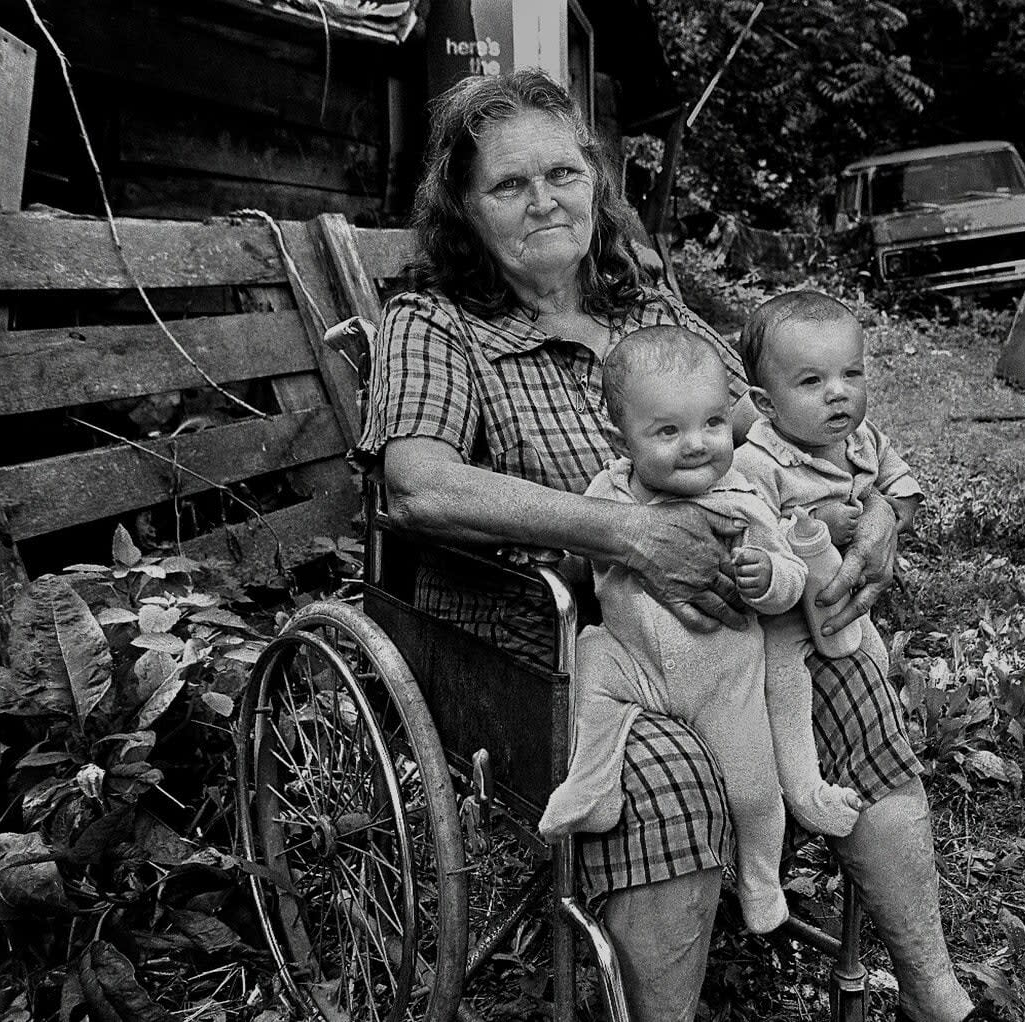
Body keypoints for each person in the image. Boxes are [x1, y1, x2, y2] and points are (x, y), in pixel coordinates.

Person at [355, 67, 990, 1022]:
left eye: (562, 174)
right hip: (547, 650)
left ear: (595, 181)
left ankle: (938, 998)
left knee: (851, 680)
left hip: (732, 624)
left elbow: (774, 423)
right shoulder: (436, 326)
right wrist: (632, 532)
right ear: (464, 207)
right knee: (667, 773)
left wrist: (875, 510)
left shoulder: (646, 306)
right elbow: (416, 486)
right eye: (508, 184)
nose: (544, 202)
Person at [540, 325, 817, 934]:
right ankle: (593, 785)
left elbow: (793, 581)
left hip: (722, 677)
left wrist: (766, 574)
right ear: (621, 438)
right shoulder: (607, 493)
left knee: (754, 788)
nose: (697, 445)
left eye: (714, 423)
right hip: (632, 660)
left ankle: (760, 878)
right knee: (591, 664)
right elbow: (579, 556)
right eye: (667, 431)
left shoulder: (740, 497)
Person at [732, 290, 925, 855]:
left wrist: (884, 512)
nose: (838, 392)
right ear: (766, 405)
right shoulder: (756, 463)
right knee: (785, 687)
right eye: (812, 382)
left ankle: (877, 760)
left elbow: (904, 494)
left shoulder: (862, 440)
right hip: (785, 622)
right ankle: (803, 787)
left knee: (873, 669)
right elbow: (752, 535)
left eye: (851, 373)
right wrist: (812, 523)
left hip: (846, 608)